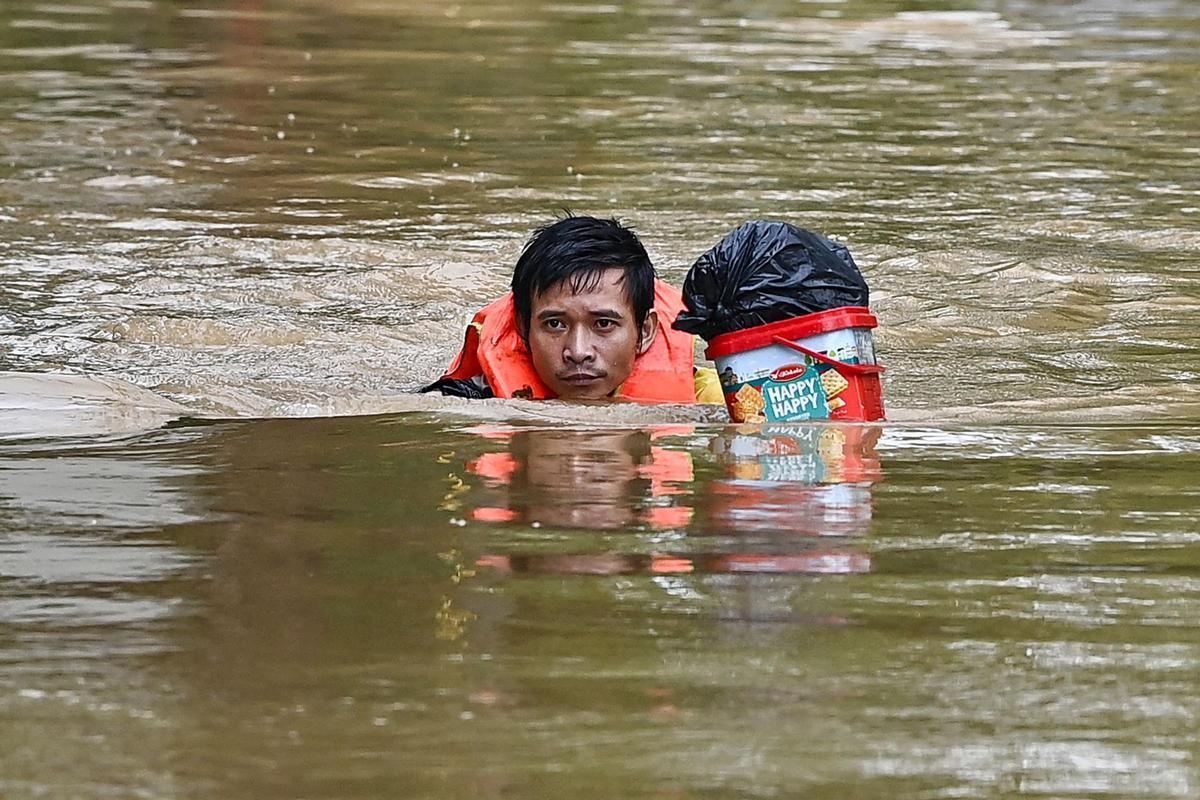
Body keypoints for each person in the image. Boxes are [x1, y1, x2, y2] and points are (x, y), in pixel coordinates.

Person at [424, 215, 722, 403]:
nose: (578, 352)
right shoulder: (469, 399)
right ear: (524, 329)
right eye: (555, 324)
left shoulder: (712, 399)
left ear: (645, 332)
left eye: (603, 323)